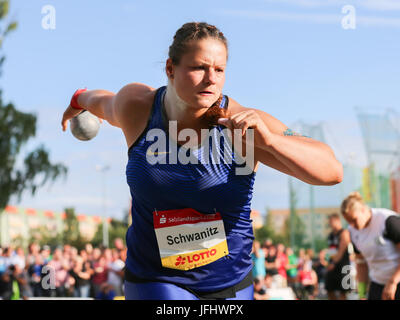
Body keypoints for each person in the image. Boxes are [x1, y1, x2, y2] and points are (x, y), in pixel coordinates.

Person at [61, 22, 343, 300]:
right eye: (199, 67)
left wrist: (270, 142)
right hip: (155, 278)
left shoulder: (241, 125)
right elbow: (100, 101)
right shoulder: (138, 107)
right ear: (170, 69)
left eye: (219, 70)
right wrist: (77, 100)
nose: (211, 78)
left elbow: (331, 170)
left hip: (230, 280)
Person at [341, 192, 400, 300]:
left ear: (363, 209)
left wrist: (393, 281)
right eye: (349, 222)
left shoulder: (387, 220)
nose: (352, 225)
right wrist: (362, 294)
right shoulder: (352, 231)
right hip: (377, 284)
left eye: (354, 220)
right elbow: (361, 263)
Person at [325, 213, 351, 300]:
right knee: (329, 289)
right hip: (332, 266)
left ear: (338, 221)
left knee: (343, 292)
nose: (330, 224)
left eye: (332, 221)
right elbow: (330, 251)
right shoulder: (330, 235)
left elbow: (341, 250)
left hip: (343, 266)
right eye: (329, 222)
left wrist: (333, 263)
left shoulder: (344, 233)